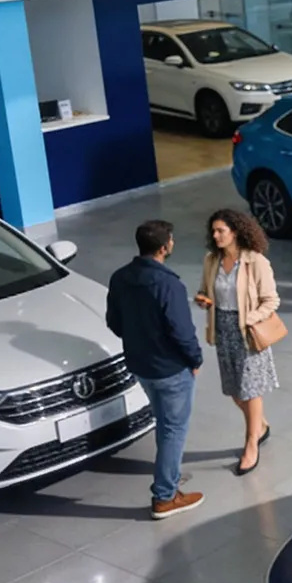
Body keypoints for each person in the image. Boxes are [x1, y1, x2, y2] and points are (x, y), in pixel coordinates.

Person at [105, 220, 204, 520]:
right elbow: (182, 331)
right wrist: (195, 360)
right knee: (174, 429)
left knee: (164, 422)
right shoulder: (169, 284)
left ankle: (169, 477)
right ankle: (165, 496)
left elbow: (114, 322)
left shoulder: (120, 278)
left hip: (141, 366)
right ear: (164, 247)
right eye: (171, 240)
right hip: (171, 369)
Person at [195, 209, 280, 475]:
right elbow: (204, 290)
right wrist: (202, 299)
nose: (215, 235)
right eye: (214, 231)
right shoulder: (211, 261)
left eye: (220, 230)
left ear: (235, 231)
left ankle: (251, 443)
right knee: (234, 388)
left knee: (250, 389)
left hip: (247, 331)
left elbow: (272, 300)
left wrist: (249, 319)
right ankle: (261, 426)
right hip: (222, 330)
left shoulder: (255, 262)